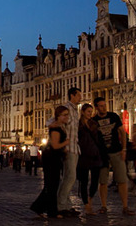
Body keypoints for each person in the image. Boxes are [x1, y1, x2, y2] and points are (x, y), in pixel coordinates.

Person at [93, 97, 134, 216]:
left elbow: (122, 131)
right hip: (102, 154)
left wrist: (124, 148)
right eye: (101, 106)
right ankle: (104, 206)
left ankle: (125, 206)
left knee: (122, 180)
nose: (104, 108)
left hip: (116, 151)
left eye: (104, 105)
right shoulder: (94, 121)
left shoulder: (114, 116)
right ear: (96, 107)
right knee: (103, 182)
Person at [30, 106, 70, 218]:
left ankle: (39, 207)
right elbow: (55, 145)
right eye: (64, 115)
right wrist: (66, 142)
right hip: (51, 158)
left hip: (55, 157)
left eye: (67, 114)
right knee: (51, 185)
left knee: (52, 185)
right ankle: (51, 211)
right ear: (58, 116)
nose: (67, 116)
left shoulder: (59, 126)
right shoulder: (56, 128)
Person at [56, 87, 81, 217]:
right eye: (78, 96)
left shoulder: (75, 110)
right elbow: (60, 125)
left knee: (69, 177)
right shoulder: (66, 109)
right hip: (69, 147)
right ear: (72, 95)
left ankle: (66, 204)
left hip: (74, 147)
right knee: (70, 176)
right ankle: (61, 205)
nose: (80, 98)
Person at [77, 103, 105, 215]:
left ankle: (90, 199)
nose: (90, 113)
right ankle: (86, 205)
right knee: (83, 182)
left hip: (94, 154)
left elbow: (99, 140)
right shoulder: (78, 125)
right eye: (88, 111)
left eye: (91, 111)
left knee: (94, 181)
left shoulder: (94, 124)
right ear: (83, 112)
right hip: (83, 156)